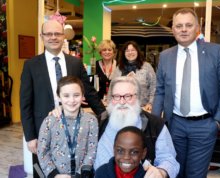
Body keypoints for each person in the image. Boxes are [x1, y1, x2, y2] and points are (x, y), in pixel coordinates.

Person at [152, 8, 220, 178]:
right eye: (179, 25)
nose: (183, 29)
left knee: (195, 174)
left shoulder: (215, 51)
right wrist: (155, 123)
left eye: (188, 25)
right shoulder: (165, 56)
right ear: (173, 29)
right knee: (174, 171)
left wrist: (218, 121)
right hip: (174, 125)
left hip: (205, 125)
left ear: (197, 27)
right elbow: (159, 91)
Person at [20, 19, 105, 177]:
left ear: (63, 36)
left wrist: (105, 115)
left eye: (57, 33)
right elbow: (25, 103)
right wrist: (30, 136)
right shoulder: (30, 65)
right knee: (42, 171)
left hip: (74, 128)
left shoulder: (75, 63)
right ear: (42, 36)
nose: (53, 37)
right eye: (48, 34)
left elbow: (89, 92)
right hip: (42, 131)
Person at [94, 76, 179, 178]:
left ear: (138, 97)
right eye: (116, 96)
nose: (122, 102)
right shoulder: (98, 123)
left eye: (128, 96)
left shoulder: (155, 125)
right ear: (111, 98)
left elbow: (169, 159)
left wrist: (161, 171)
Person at [37, 76, 98, 178]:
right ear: (59, 97)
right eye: (66, 96)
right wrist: (54, 175)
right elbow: (42, 151)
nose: (72, 100)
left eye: (76, 95)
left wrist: (82, 173)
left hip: (82, 175)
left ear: (83, 96)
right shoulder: (49, 121)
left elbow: (92, 150)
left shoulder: (91, 121)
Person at [112, 41, 156, 111]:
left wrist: (150, 103)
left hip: (143, 108)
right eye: (127, 51)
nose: (130, 53)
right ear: (124, 53)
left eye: (133, 50)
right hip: (123, 108)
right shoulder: (119, 68)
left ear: (137, 51)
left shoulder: (147, 66)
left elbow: (154, 86)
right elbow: (113, 87)